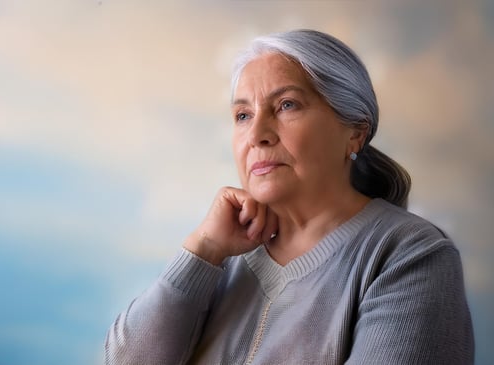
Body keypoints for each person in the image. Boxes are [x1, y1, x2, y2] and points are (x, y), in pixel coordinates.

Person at [104, 29, 474, 365]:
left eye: (287, 105)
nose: (257, 135)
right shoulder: (220, 256)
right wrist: (201, 251)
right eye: (243, 115)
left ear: (355, 133)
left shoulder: (411, 255)